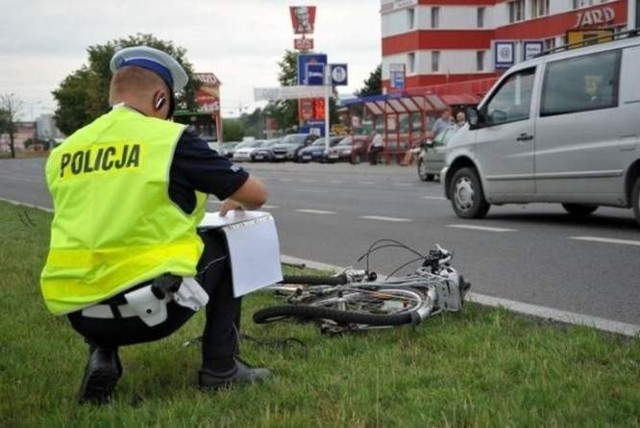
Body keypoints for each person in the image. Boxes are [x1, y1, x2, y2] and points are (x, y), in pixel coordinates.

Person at [40, 46, 270, 405]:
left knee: (99, 256)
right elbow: (256, 194)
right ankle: (221, 368)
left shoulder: (65, 151)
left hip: (80, 311)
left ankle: (102, 354)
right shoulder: (169, 140)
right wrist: (235, 195)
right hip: (153, 309)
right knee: (228, 244)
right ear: (160, 99)